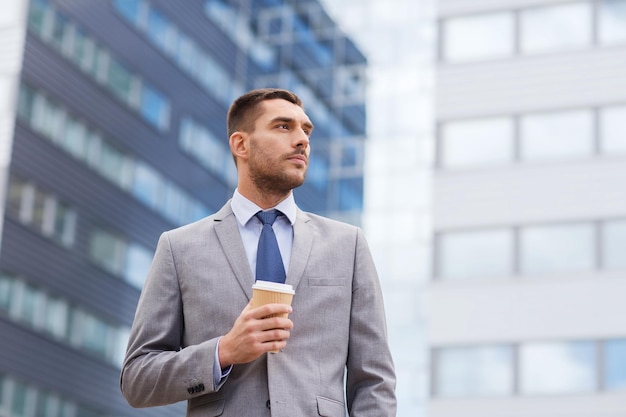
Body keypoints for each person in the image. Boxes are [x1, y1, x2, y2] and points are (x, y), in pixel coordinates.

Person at [120, 88, 397, 416]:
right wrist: (223, 352)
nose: (302, 140)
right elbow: (137, 379)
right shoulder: (179, 248)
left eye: (305, 130)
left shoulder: (347, 245)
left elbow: (374, 381)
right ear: (241, 144)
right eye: (283, 127)